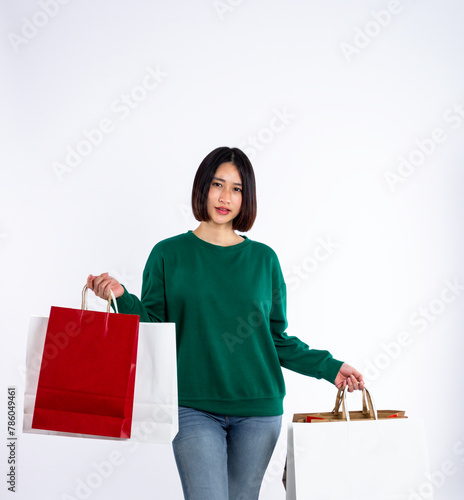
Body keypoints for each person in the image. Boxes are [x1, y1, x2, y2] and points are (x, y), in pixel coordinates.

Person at [86, 146, 364, 500]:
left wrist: (330, 367)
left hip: (258, 410)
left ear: (246, 198)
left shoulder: (264, 260)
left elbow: (275, 338)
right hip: (192, 406)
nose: (225, 197)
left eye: (237, 189)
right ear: (202, 188)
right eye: (218, 184)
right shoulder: (168, 254)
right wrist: (121, 297)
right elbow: (155, 327)